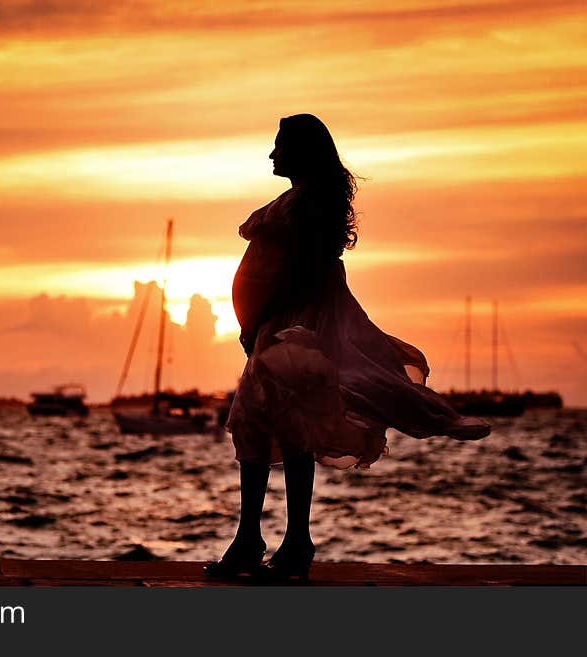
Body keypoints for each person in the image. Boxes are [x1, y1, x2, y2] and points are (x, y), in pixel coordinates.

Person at [204, 114, 492, 582]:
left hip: (293, 327)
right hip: (278, 325)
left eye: (280, 146)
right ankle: (251, 538)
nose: (273, 154)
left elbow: (299, 273)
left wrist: (257, 320)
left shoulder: (310, 207)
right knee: (256, 426)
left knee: (289, 428)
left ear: (303, 151)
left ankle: (292, 541)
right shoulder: (301, 201)